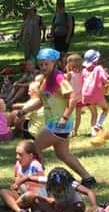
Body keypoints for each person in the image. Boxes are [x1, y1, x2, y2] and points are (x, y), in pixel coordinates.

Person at [14, 48, 97, 187]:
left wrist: (64, 117)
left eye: (46, 64)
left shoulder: (59, 79)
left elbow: (73, 98)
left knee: (34, 148)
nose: (43, 67)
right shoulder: (45, 81)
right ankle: (88, 179)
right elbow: (41, 101)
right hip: (55, 124)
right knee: (63, 154)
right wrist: (24, 111)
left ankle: (37, 179)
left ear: (54, 63)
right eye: (41, 64)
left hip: (58, 124)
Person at [31, 166, 97, 212]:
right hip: (57, 207)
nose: (58, 189)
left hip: (71, 208)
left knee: (80, 205)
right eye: (55, 187)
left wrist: (94, 205)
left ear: (66, 183)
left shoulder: (72, 184)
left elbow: (89, 192)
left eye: (61, 187)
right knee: (36, 199)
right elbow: (27, 178)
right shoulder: (48, 181)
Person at [0, 140, 45, 212]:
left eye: (20, 155)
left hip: (34, 197)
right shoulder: (18, 164)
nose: (17, 157)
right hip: (22, 195)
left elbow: (41, 184)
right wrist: (15, 184)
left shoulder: (35, 165)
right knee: (3, 192)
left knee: (28, 195)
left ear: (30, 156)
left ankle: (11, 206)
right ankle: (19, 210)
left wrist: (25, 181)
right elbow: (16, 181)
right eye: (16, 154)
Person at [81, 49, 109, 135]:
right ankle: (98, 125)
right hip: (96, 94)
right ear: (96, 60)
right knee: (105, 109)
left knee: (94, 114)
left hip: (86, 95)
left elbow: (82, 81)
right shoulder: (98, 68)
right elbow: (105, 80)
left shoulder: (84, 71)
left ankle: (93, 133)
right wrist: (107, 86)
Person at [64, 53, 85, 135]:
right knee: (78, 115)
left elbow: (65, 84)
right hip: (79, 97)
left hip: (71, 98)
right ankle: (75, 131)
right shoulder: (83, 73)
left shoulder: (69, 74)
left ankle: (67, 129)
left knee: (67, 114)